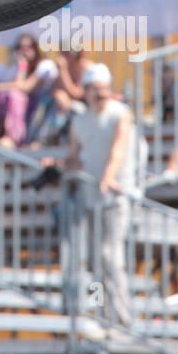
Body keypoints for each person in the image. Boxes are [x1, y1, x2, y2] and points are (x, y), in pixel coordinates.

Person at [56, 64, 137, 330]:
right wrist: (57, 165)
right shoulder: (79, 120)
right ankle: (104, 317)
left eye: (103, 88)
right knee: (97, 262)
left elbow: (118, 149)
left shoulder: (120, 113)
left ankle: (123, 321)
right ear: (86, 91)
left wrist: (108, 178)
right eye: (95, 89)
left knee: (111, 257)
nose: (100, 94)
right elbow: (74, 156)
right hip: (91, 197)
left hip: (113, 197)